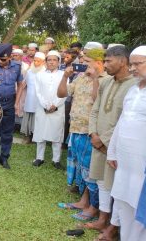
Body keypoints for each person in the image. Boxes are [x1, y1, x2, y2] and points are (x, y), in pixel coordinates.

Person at [83, 45, 136, 240]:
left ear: (122, 61)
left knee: (118, 186)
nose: (104, 65)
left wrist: (104, 141)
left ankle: (114, 226)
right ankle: (102, 219)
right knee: (102, 181)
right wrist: (93, 134)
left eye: (108, 61)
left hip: (116, 145)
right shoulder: (106, 82)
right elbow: (95, 109)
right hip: (98, 141)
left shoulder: (135, 85)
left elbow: (127, 119)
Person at [56, 48, 108, 222]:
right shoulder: (79, 77)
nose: (82, 63)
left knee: (90, 171)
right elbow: (62, 94)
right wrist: (65, 76)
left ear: (98, 62)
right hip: (75, 129)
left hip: (90, 132)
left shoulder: (105, 79)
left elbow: (96, 101)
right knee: (81, 168)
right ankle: (83, 201)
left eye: (86, 60)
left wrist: (94, 77)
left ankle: (93, 208)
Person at [106, 45, 146, 241]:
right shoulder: (133, 90)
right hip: (124, 163)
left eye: (137, 64)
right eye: (131, 64)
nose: (132, 68)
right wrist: (112, 152)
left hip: (143, 166)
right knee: (123, 204)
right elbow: (122, 122)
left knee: (141, 209)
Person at [0, 43, 23, 169]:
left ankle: (4, 157)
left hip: (10, 102)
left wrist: (17, 103)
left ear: (9, 57)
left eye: (2, 59)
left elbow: (20, 85)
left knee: (8, 132)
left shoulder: (17, 67)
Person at [32, 50, 66, 169]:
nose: (51, 62)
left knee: (57, 134)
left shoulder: (63, 75)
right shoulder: (39, 75)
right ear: (45, 62)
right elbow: (38, 92)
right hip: (42, 108)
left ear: (58, 62)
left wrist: (55, 105)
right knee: (40, 132)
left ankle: (56, 160)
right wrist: (45, 105)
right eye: (49, 60)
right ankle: (39, 158)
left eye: (54, 60)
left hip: (58, 108)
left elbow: (65, 92)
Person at [19, 52, 45, 143]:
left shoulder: (45, 72)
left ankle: (36, 137)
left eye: (39, 61)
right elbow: (23, 85)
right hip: (29, 98)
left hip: (40, 100)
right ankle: (27, 136)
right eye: (35, 61)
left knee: (37, 117)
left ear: (43, 62)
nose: (36, 63)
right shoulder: (29, 71)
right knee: (28, 116)